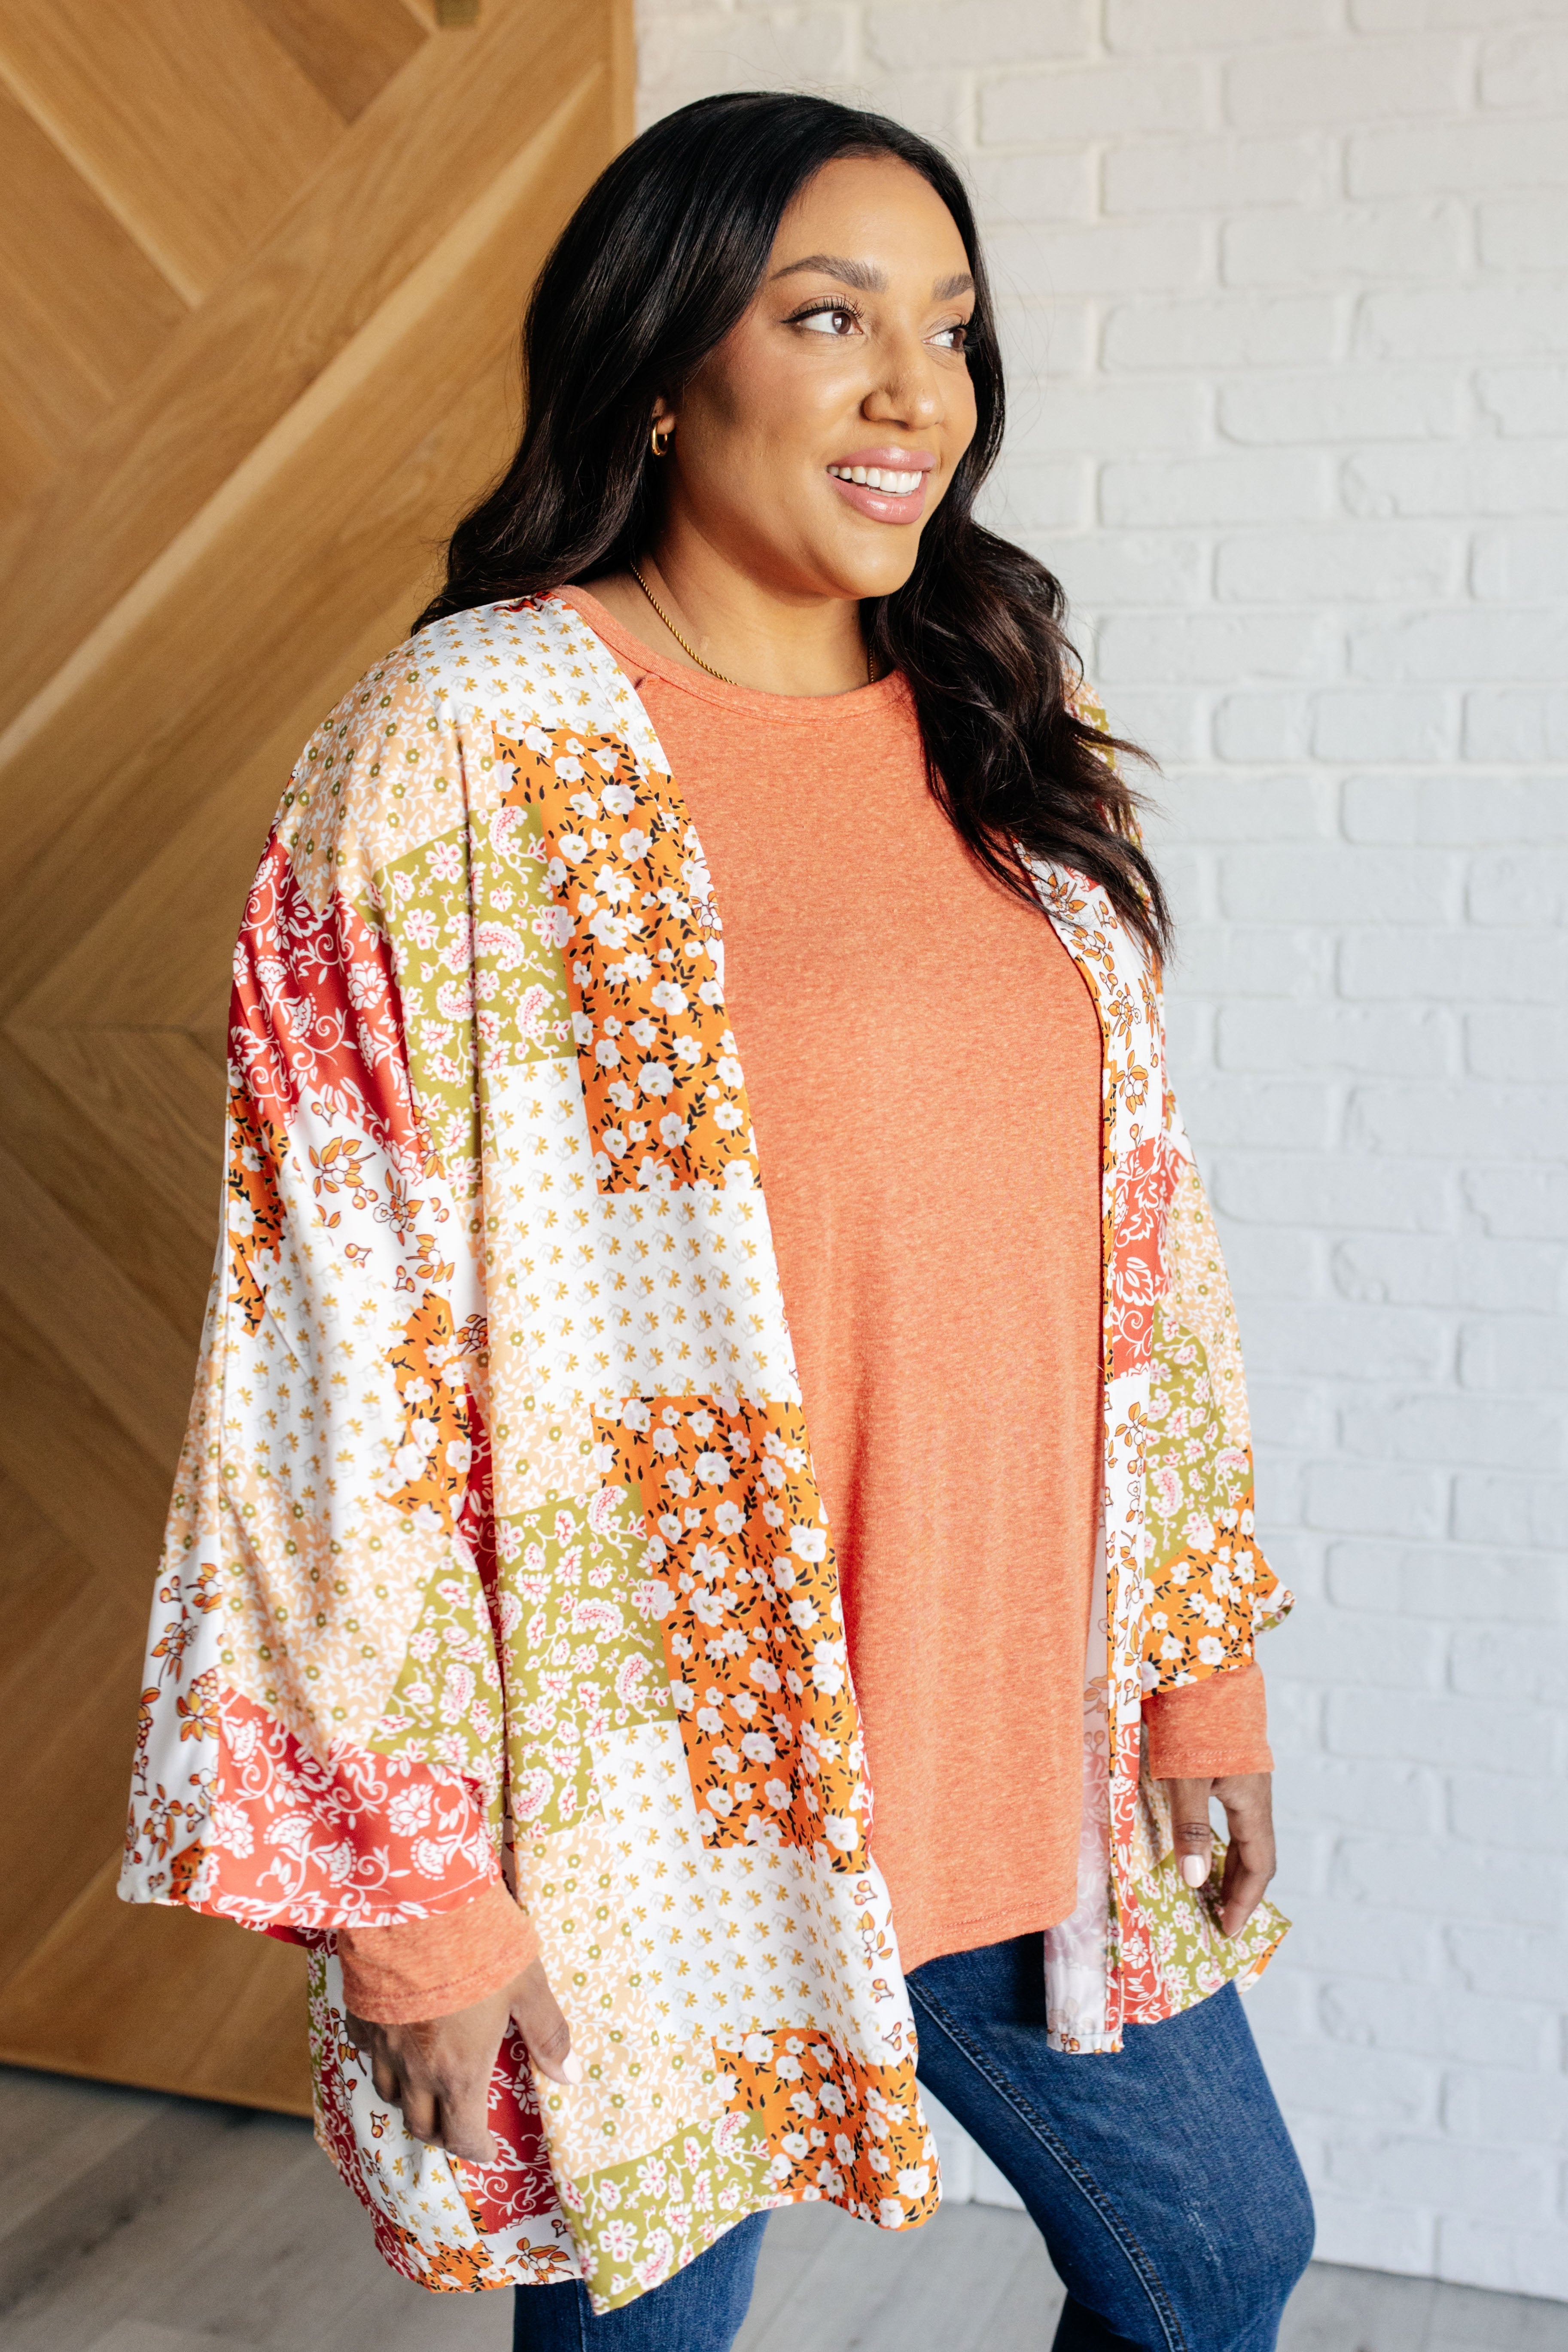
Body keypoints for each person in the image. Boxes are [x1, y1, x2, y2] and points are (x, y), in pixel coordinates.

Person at [122, 92, 1314, 2352]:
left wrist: (1194, 1675)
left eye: (949, 328)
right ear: (663, 365)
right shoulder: (471, 742)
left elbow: (1143, 1260)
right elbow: (330, 1356)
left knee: (1224, 2256)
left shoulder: (1000, 714)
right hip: (649, 1798)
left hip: (1020, 1732)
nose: (912, 392)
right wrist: (413, 1895)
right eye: (828, 317)